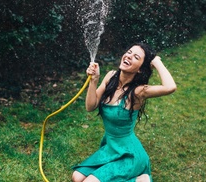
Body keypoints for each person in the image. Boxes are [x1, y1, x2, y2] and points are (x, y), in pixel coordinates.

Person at [71, 42, 177, 182]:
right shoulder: (111, 77)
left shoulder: (138, 92)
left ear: (140, 69)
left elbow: (170, 87)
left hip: (129, 153)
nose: (129, 56)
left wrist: (156, 62)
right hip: (111, 147)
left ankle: (141, 179)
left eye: (136, 57)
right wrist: (94, 81)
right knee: (77, 177)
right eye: (128, 52)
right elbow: (90, 106)